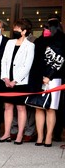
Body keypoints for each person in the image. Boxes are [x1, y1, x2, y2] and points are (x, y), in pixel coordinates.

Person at [29, 15, 65, 147]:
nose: (46, 30)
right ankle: (40, 136)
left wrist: (49, 76)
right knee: (39, 108)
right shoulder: (40, 41)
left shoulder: (61, 40)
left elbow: (59, 60)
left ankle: (49, 136)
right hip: (39, 78)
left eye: (48, 28)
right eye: (44, 28)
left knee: (50, 108)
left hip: (54, 79)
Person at [0, 18, 34, 145]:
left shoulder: (30, 46)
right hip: (7, 81)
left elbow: (27, 66)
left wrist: (15, 81)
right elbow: (4, 61)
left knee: (20, 108)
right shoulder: (10, 43)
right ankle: (7, 133)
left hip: (20, 83)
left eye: (17, 28)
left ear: (24, 31)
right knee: (7, 107)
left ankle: (19, 135)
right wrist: (5, 78)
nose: (14, 30)